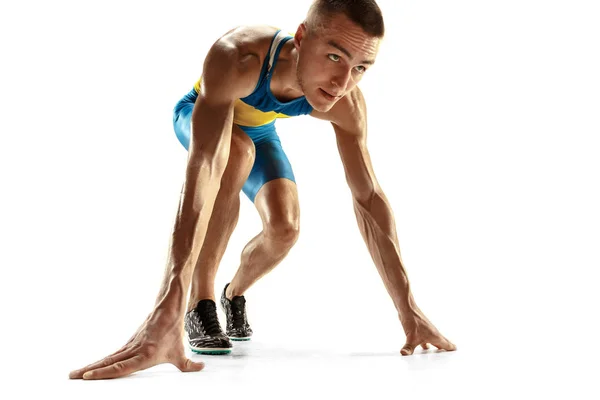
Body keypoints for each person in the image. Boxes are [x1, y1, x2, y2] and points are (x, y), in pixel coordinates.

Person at [69, 0, 456, 380]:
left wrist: (409, 309)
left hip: (259, 131)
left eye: (360, 68)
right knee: (236, 153)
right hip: (201, 116)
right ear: (302, 37)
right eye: (335, 58)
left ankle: (232, 293)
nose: (342, 83)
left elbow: (368, 199)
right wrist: (167, 300)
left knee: (285, 228)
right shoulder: (239, 57)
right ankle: (196, 303)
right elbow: (204, 168)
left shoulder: (345, 101)